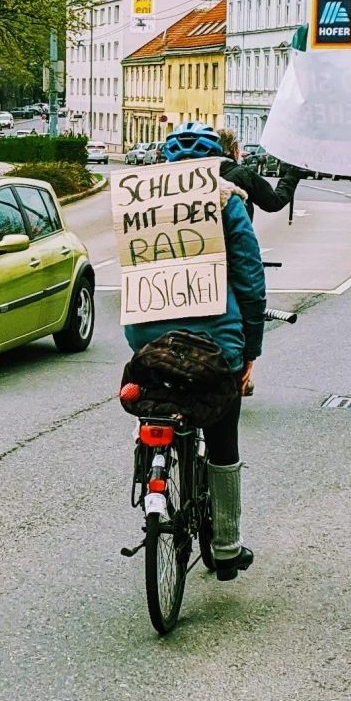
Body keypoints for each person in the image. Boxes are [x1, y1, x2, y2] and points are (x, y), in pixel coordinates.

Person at [124, 121, 268, 579]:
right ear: (214, 165)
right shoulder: (226, 202)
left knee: (155, 400)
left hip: (149, 339)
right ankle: (225, 546)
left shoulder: (138, 201)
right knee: (223, 439)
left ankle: (149, 461)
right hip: (215, 342)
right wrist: (250, 351)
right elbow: (249, 279)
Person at [217, 128, 291, 219]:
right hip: (237, 231)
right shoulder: (243, 175)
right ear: (234, 149)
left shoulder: (200, 172)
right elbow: (273, 202)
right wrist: (292, 175)